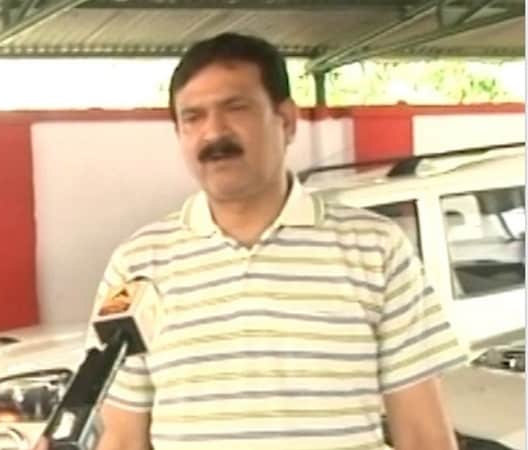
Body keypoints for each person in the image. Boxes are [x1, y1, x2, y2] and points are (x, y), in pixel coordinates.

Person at [37, 32, 467, 450]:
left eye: (235, 108)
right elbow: (123, 437)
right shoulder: (137, 265)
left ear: (286, 121)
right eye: (193, 117)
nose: (213, 133)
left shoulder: (376, 249)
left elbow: (423, 435)